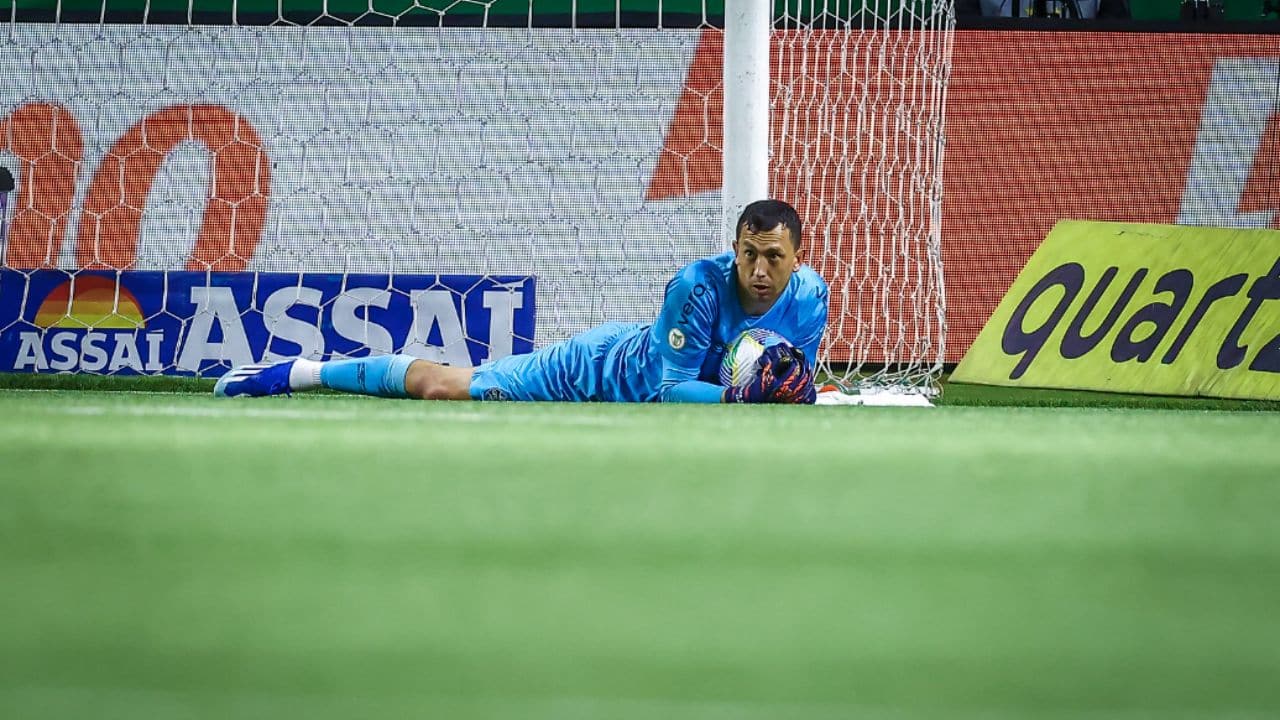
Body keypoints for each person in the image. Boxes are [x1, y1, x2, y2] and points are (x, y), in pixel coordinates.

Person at [214, 198, 829, 404]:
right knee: (446, 387)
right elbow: (668, 391)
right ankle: (301, 372)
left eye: (774, 257)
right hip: (601, 372)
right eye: (749, 253)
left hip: (690, 391)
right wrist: (736, 396)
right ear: (734, 248)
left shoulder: (810, 298)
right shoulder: (696, 285)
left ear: (796, 258)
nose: (758, 269)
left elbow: (787, 380)